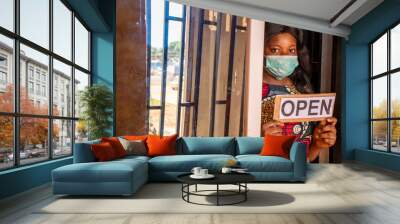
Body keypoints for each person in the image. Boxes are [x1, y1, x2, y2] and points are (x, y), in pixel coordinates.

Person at [261, 24, 337, 162]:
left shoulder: (303, 91)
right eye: (275, 49)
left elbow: (306, 157)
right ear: (261, 50)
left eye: (291, 50)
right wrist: (257, 142)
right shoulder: (251, 90)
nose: (284, 56)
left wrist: (318, 144)